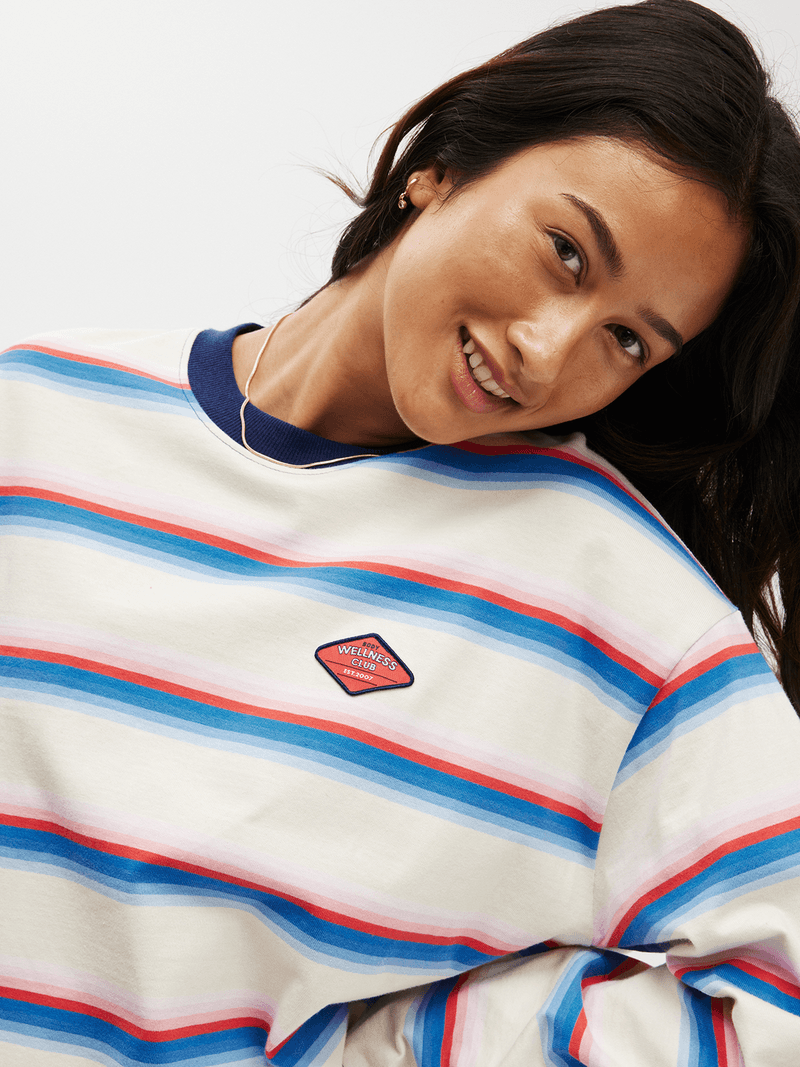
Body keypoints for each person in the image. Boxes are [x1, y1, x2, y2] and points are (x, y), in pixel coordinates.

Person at [2, 0, 800, 1063]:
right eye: (566, 253)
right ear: (444, 164)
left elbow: (777, 1012)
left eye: (625, 339)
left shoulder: (612, 607)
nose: (547, 350)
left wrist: (388, 1045)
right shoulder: (37, 409)